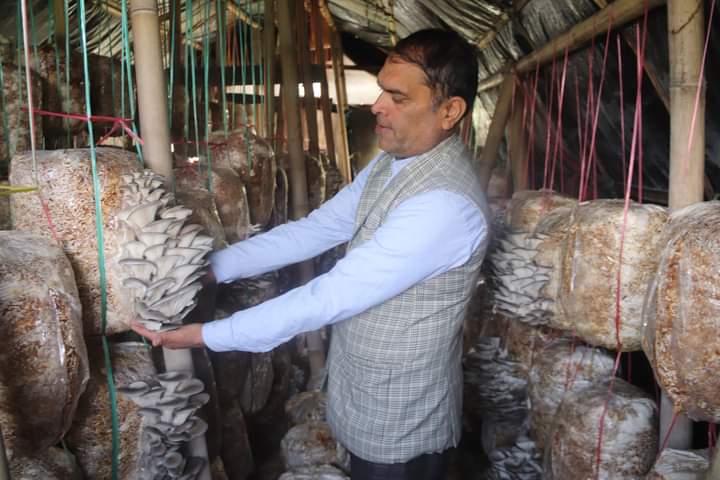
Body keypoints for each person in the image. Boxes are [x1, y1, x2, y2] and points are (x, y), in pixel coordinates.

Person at [133, 28, 489, 480]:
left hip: (402, 420)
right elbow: (316, 230)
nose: (377, 105)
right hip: (366, 390)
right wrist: (208, 270)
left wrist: (205, 335)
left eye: (398, 97)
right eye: (382, 89)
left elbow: (328, 297)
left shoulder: (444, 206)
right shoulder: (393, 162)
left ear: (450, 111)